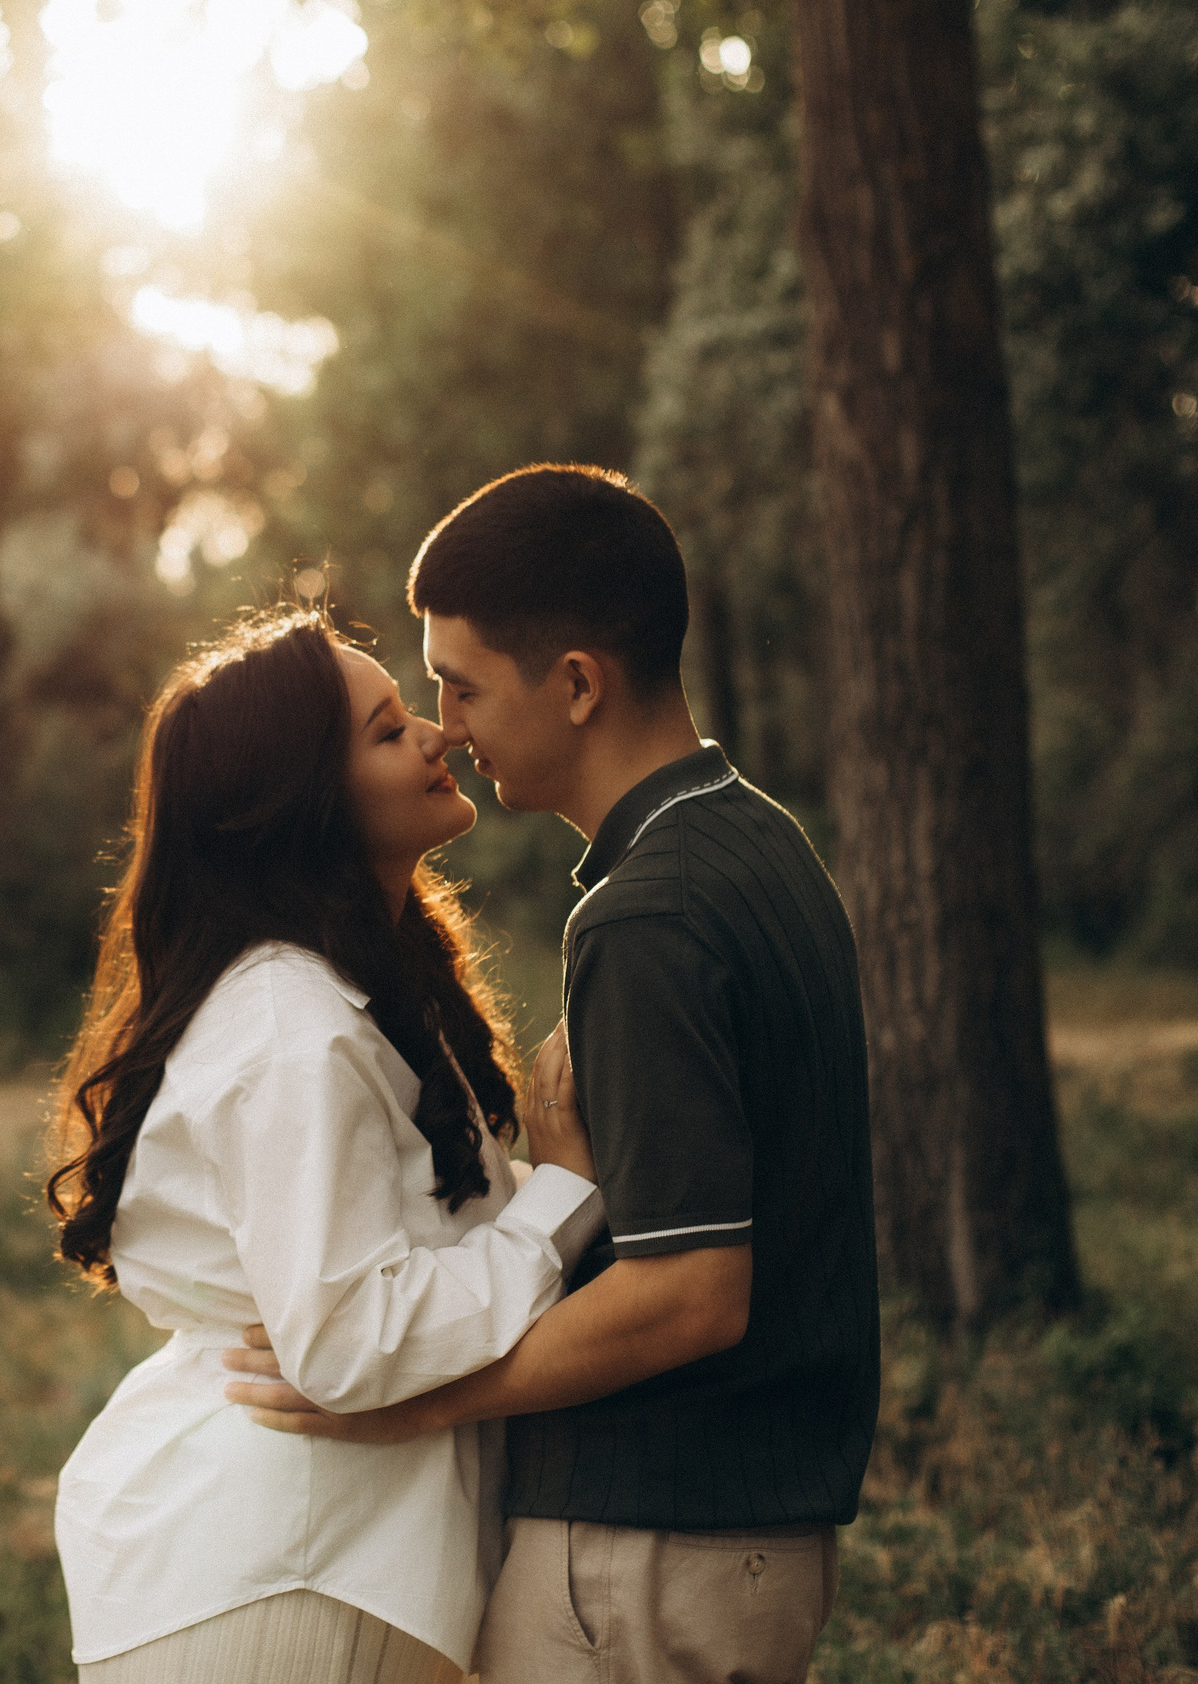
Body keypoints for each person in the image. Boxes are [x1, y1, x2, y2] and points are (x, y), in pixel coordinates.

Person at [223, 464, 879, 1684]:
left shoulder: (648, 914)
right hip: (735, 1532)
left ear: (576, 683)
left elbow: (691, 1294)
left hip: (647, 1547)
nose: (448, 729)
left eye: (459, 686)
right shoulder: (758, 839)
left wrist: (406, 1405)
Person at [47, 608, 606, 1684]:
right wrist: (564, 1195)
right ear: (301, 803)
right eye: (390, 730)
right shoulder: (288, 1025)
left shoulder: (357, 997)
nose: (436, 735)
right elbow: (348, 1345)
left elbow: (386, 1257)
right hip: (282, 1575)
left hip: (326, 1565)